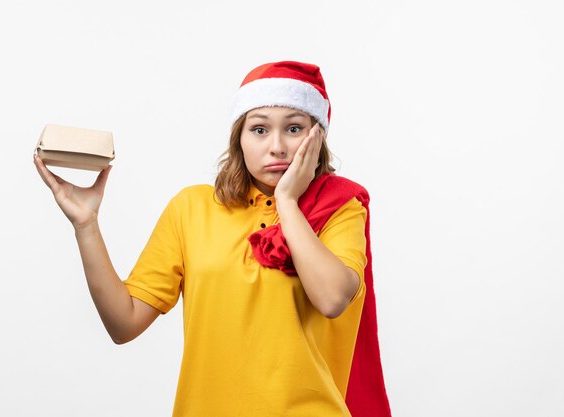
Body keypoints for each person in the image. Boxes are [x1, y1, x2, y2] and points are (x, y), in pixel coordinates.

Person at [33, 61, 391, 417]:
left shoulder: (342, 209)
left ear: (317, 138)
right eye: (260, 129)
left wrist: (287, 201)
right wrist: (86, 225)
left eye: (294, 128)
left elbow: (331, 299)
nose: (278, 146)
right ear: (239, 137)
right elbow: (123, 324)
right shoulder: (192, 208)